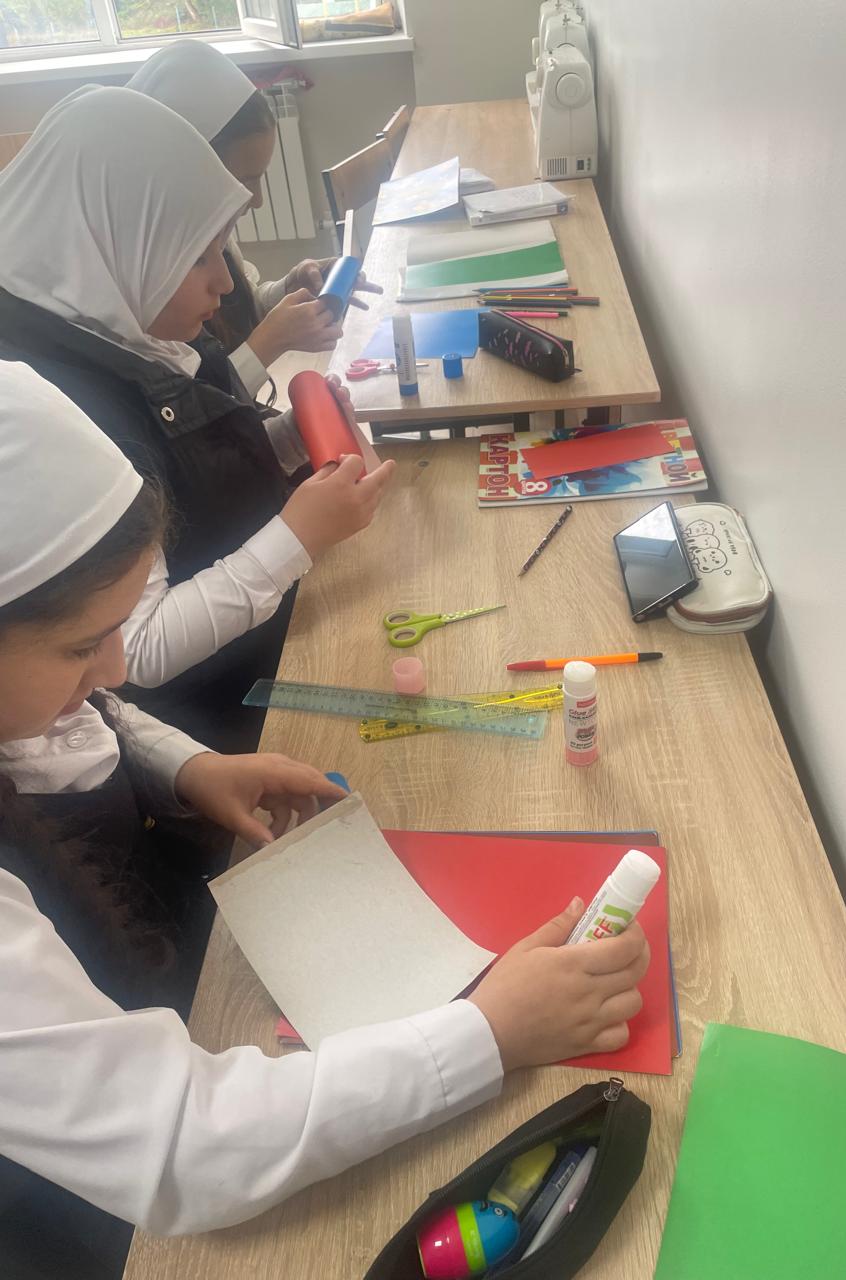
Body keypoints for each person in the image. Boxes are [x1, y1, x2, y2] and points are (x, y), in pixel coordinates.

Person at [0, 361, 650, 1258]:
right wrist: (489, 1032)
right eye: (82, 646)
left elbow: (85, 714)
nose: (116, 669)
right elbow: (189, 1147)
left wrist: (186, 767)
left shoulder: (44, 693)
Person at [0, 86, 395, 753]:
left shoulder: (132, 328)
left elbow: (192, 471)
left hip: (259, 633)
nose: (227, 283)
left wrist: (286, 440)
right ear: (117, 245)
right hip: (214, 718)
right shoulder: (73, 408)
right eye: (198, 256)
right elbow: (139, 652)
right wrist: (299, 536)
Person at [128, 39, 382, 398]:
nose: (257, 200)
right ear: (189, 169)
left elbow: (231, 309)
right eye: (244, 182)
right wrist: (268, 343)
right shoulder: (141, 270)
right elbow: (193, 410)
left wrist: (290, 287)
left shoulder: (211, 230)